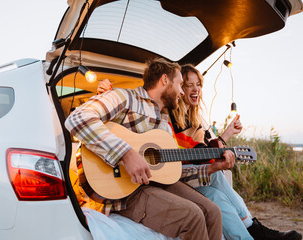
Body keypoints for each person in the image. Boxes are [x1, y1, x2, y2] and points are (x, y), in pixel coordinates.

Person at [97, 64, 302, 240]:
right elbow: (93, 121)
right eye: (184, 85)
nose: (188, 90)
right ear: (167, 82)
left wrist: (215, 161)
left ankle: (250, 231)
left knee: (214, 196)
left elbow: (188, 158)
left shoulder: (178, 122)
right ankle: (252, 228)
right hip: (161, 179)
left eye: (198, 85)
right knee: (210, 193)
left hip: (175, 175)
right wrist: (126, 153)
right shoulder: (148, 110)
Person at [66, 58, 228, 240]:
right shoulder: (124, 97)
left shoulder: (165, 126)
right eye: (180, 84)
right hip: (124, 189)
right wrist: (126, 154)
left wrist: (214, 168)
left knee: (213, 212)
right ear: (165, 80)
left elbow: (172, 172)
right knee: (193, 216)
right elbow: (77, 118)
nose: (182, 92)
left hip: (154, 184)